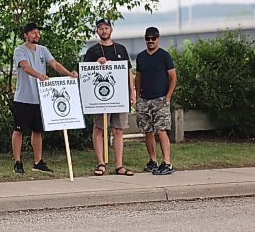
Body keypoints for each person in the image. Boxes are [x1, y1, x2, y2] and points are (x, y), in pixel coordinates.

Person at [12, 22, 78, 174]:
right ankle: (17, 162)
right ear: (26, 35)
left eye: (37, 32)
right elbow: (25, 67)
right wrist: (39, 75)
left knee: (38, 131)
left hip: (41, 98)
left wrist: (69, 73)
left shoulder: (43, 50)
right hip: (23, 98)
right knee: (19, 130)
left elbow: (54, 64)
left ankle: (38, 161)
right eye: (33, 32)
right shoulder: (19, 50)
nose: (36, 35)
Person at [84, 18, 136, 176]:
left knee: (118, 129)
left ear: (111, 30)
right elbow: (86, 74)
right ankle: (100, 163)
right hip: (101, 97)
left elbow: (128, 72)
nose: (104, 31)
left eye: (106, 28)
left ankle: (119, 165)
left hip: (119, 97)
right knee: (99, 128)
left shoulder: (121, 48)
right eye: (101, 28)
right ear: (97, 31)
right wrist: (96, 64)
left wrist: (132, 92)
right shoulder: (92, 51)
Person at [135, 27, 177, 175]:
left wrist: (168, 97)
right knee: (148, 131)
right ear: (145, 39)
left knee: (162, 130)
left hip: (160, 99)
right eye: (148, 38)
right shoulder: (141, 57)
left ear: (158, 38)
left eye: (153, 38)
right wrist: (138, 96)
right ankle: (153, 161)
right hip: (144, 100)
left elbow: (173, 77)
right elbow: (138, 76)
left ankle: (167, 163)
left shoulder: (164, 56)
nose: (150, 41)